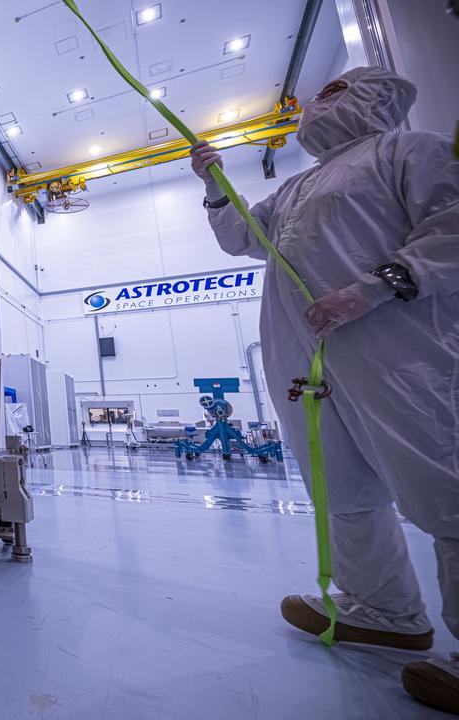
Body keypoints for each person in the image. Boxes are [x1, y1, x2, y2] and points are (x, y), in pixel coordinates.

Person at [192, 65, 459, 713]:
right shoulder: (299, 186)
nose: (314, 105)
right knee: (339, 487)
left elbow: (451, 226)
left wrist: (376, 287)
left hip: (395, 344)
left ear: (376, 98)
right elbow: (242, 241)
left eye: (331, 92)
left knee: (445, 485)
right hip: (307, 358)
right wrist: (215, 186)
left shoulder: (409, 151)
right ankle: (386, 609)